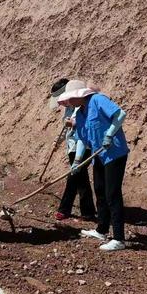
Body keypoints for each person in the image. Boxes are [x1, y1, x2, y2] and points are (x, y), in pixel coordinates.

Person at [58, 86, 129, 251]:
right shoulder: (80, 113)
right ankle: (102, 230)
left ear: (79, 96)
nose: (68, 103)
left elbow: (120, 114)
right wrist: (76, 161)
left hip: (114, 153)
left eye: (70, 100)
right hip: (100, 155)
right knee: (99, 190)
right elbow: (83, 139)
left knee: (112, 193)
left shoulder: (97, 100)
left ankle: (119, 238)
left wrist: (110, 134)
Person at [49, 79, 96, 221]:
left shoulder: (81, 105)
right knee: (81, 179)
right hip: (72, 146)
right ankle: (88, 211)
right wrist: (57, 142)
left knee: (73, 177)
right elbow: (67, 128)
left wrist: (73, 123)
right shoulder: (69, 107)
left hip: (83, 145)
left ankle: (64, 209)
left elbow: (83, 126)